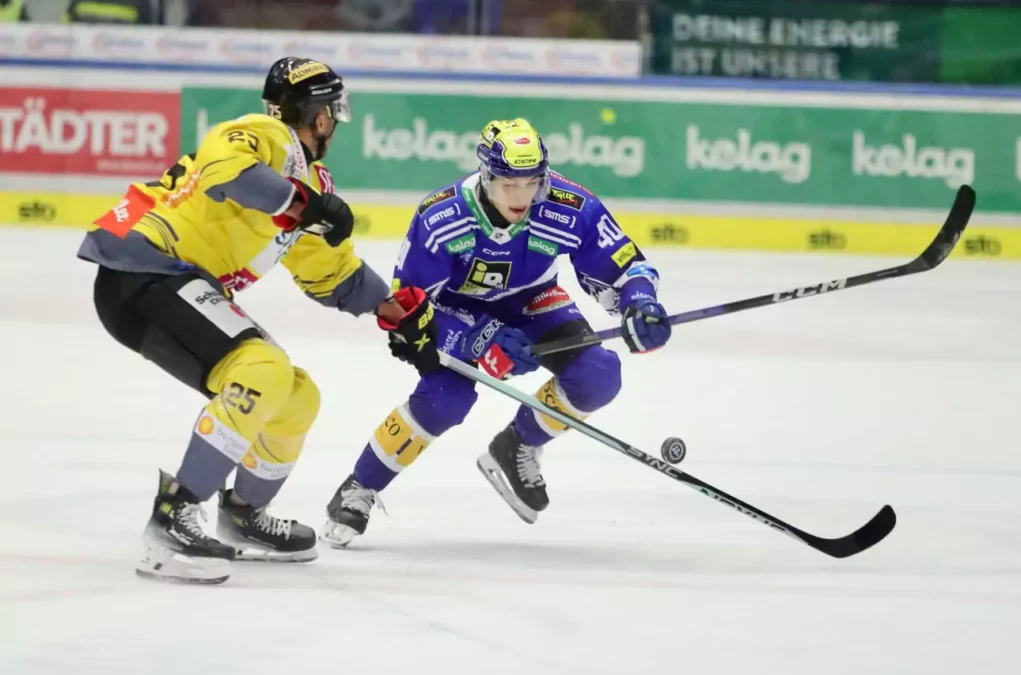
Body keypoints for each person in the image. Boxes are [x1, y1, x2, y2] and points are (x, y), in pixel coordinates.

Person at [76, 57, 437, 584]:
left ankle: (242, 515)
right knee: (261, 370)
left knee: (295, 396)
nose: (334, 125)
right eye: (333, 113)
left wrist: (393, 310)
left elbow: (328, 272)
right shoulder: (264, 135)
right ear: (319, 117)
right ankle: (173, 516)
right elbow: (227, 171)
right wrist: (302, 202)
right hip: (145, 270)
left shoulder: (307, 179)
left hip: (170, 283)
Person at [321, 118, 671, 547]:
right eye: (510, 185)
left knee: (598, 374)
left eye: (532, 183)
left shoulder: (568, 204)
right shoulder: (442, 217)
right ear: (486, 177)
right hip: (454, 309)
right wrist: (477, 339)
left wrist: (641, 303)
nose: (523, 197)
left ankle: (518, 445)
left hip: (531, 301)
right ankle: (360, 486)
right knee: (445, 401)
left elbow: (626, 266)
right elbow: (405, 312)